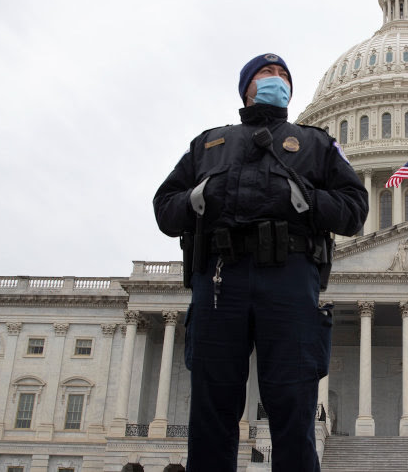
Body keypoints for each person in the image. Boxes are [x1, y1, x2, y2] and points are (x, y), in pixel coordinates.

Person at [153, 53, 368, 471]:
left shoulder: (316, 143)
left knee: (293, 404)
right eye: (267, 73)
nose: (277, 79)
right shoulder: (208, 143)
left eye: (284, 75)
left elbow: (354, 210)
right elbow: (165, 208)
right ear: (246, 87)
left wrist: (307, 201)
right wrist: (200, 197)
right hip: (220, 278)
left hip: (287, 276)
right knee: (212, 405)